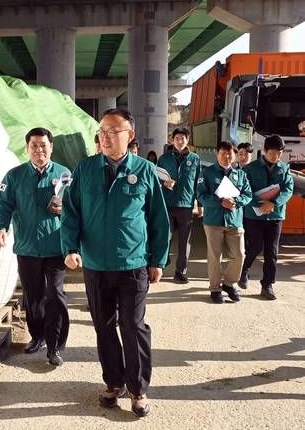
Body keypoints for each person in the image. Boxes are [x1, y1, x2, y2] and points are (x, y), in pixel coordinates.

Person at [61, 108, 169, 417]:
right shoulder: (85, 169)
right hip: (95, 265)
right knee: (104, 327)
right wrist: (70, 247)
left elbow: (158, 220)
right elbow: (71, 212)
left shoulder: (146, 171)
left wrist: (157, 260)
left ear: (130, 135)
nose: (105, 137)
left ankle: (138, 389)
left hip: (133, 264)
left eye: (113, 131)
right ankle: (113, 382)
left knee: (133, 327)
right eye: (102, 132)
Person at [0, 127, 70, 367]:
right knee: (33, 296)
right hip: (27, 247)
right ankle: (37, 336)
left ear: (51, 147)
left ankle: (55, 346)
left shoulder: (64, 174)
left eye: (43, 145)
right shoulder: (14, 176)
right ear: (27, 148)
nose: (39, 150)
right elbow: (2, 204)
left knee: (55, 295)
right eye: (34, 145)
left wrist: (63, 208)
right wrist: (1, 226)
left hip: (56, 246)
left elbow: (76, 204)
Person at [196, 141, 252, 304]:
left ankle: (229, 283)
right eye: (223, 153)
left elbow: (248, 194)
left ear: (234, 155)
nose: (227, 156)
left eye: (230, 153)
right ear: (217, 153)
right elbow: (200, 195)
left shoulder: (240, 174)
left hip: (235, 220)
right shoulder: (206, 173)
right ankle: (215, 289)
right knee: (215, 256)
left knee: (240, 255)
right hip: (213, 220)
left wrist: (237, 201)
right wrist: (219, 201)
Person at [239, 135, 294, 300]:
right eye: (272, 152)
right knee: (254, 247)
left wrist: (274, 203)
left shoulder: (284, 169)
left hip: (275, 216)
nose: (275, 156)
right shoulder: (250, 168)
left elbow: (288, 189)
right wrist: (259, 203)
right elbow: (244, 189)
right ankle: (244, 270)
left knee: (272, 251)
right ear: (264, 151)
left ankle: (267, 285)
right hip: (254, 215)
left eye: (279, 153)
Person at [157, 127, 202, 284]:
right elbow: (156, 179)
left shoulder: (195, 159)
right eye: (177, 138)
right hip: (167, 204)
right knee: (164, 238)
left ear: (187, 140)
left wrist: (200, 205)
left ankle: (180, 272)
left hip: (186, 206)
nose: (180, 141)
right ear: (172, 140)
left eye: (183, 138)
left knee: (185, 241)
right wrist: (164, 183)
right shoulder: (164, 158)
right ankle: (160, 267)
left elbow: (198, 183)